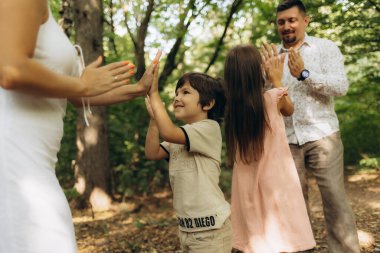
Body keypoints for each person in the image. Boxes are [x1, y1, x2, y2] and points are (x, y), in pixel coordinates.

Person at [0, 1, 160, 252]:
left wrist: (137, 89)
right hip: (14, 163)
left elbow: (75, 95)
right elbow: (11, 70)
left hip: (36, 164)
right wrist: (83, 85)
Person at [261, 1, 361, 252]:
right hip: (285, 138)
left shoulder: (324, 48)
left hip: (322, 134)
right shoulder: (271, 57)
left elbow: (341, 86)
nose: (286, 26)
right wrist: (266, 79)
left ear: (305, 20)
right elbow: (264, 99)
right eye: (281, 22)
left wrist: (305, 74)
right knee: (293, 204)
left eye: (292, 20)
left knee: (335, 200)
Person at [224, 44, 316, 253]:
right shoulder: (273, 97)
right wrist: (275, 78)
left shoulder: (233, 109)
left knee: (255, 232)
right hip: (276, 178)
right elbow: (290, 109)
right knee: (281, 233)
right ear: (258, 71)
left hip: (245, 181)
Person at [144, 64, 231, 252]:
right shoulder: (181, 136)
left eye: (185, 92)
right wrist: (153, 121)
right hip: (186, 229)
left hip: (211, 231)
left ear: (208, 104)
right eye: (176, 93)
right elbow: (152, 153)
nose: (177, 97)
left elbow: (168, 132)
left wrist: (154, 93)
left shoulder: (209, 128)